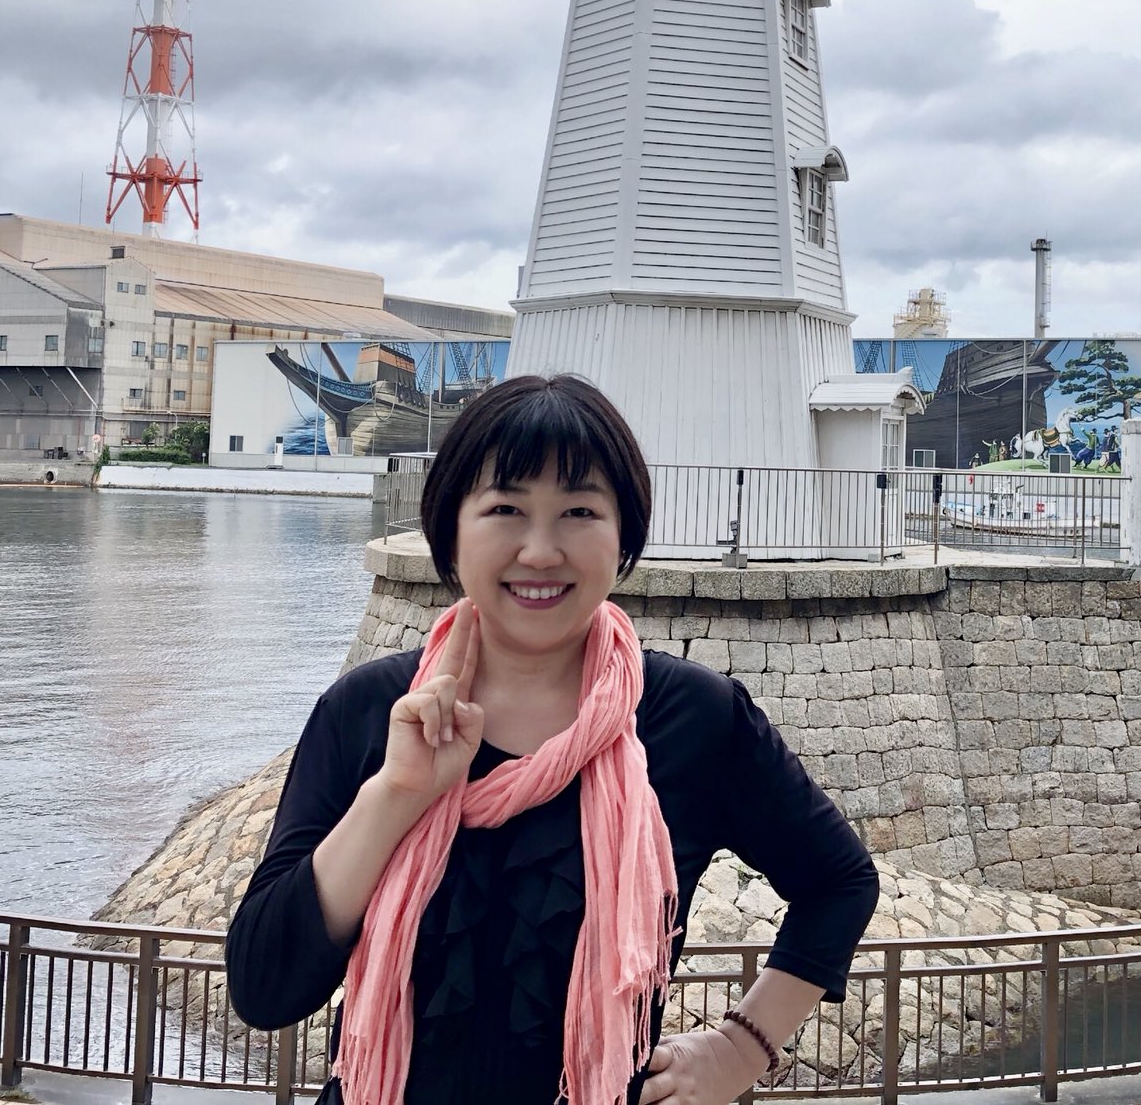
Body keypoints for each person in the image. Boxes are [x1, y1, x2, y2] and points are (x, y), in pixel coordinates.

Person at [227, 375, 878, 1105]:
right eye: (505, 508)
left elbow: (839, 882)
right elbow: (265, 986)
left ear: (624, 533)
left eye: (579, 511)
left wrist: (740, 1048)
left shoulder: (692, 716)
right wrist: (398, 793)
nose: (540, 550)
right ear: (451, 528)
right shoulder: (373, 709)